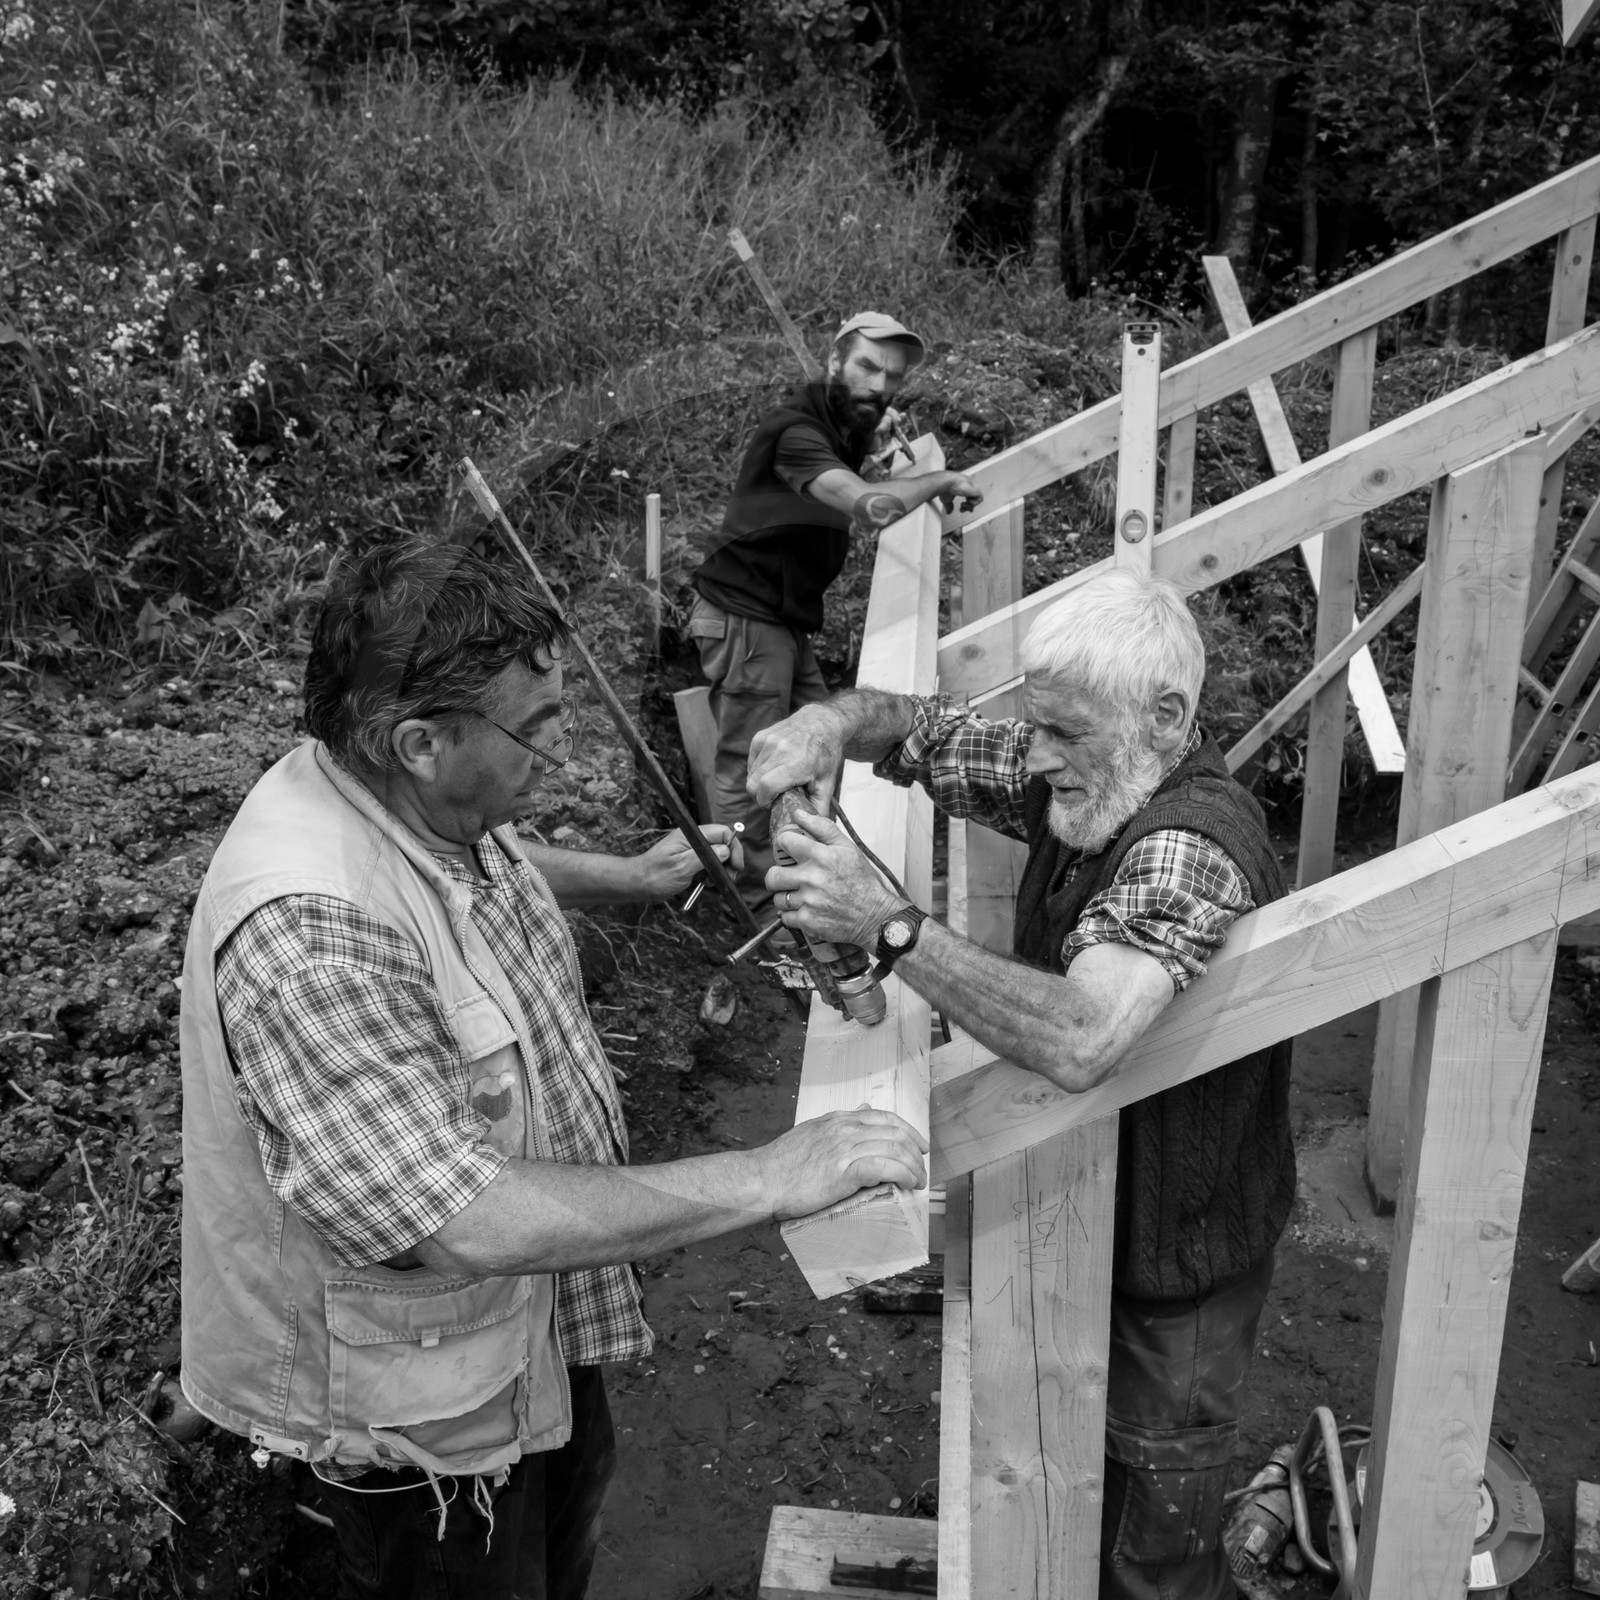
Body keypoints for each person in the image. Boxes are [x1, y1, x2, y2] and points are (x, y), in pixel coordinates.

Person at [178, 537, 927, 1600]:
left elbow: (474, 856)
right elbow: (464, 1217)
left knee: (561, 1543)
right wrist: (770, 1173)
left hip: (526, 1319)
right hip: (420, 1417)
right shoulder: (311, 936)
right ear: (421, 742)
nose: (564, 750)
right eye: (537, 727)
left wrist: (627, 876)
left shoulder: (399, 792)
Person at [748, 568, 1295, 1600]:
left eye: (1064, 733)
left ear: (1164, 717)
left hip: (1175, 1266)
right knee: (1059, 1486)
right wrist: (828, 722)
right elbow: (921, 729)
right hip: (1088, 1214)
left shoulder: (1186, 845)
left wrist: (887, 923)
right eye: (1035, 725)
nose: (1038, 756)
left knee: (1149, 1545)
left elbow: (1084, 1035)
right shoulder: (1089, 768)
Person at [688, 310, 982, 906]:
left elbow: (849, 448)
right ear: (833, 362)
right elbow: (871, 507)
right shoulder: (796, 433)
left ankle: (802, 880)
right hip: (747, 620)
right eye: (867, 368)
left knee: (821, 742)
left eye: (891, 377)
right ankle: (754, 905)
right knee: (750, 766)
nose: (879, 385)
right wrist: (940, 479)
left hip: (781, 622)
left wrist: (869, 435)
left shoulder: (840, 422)